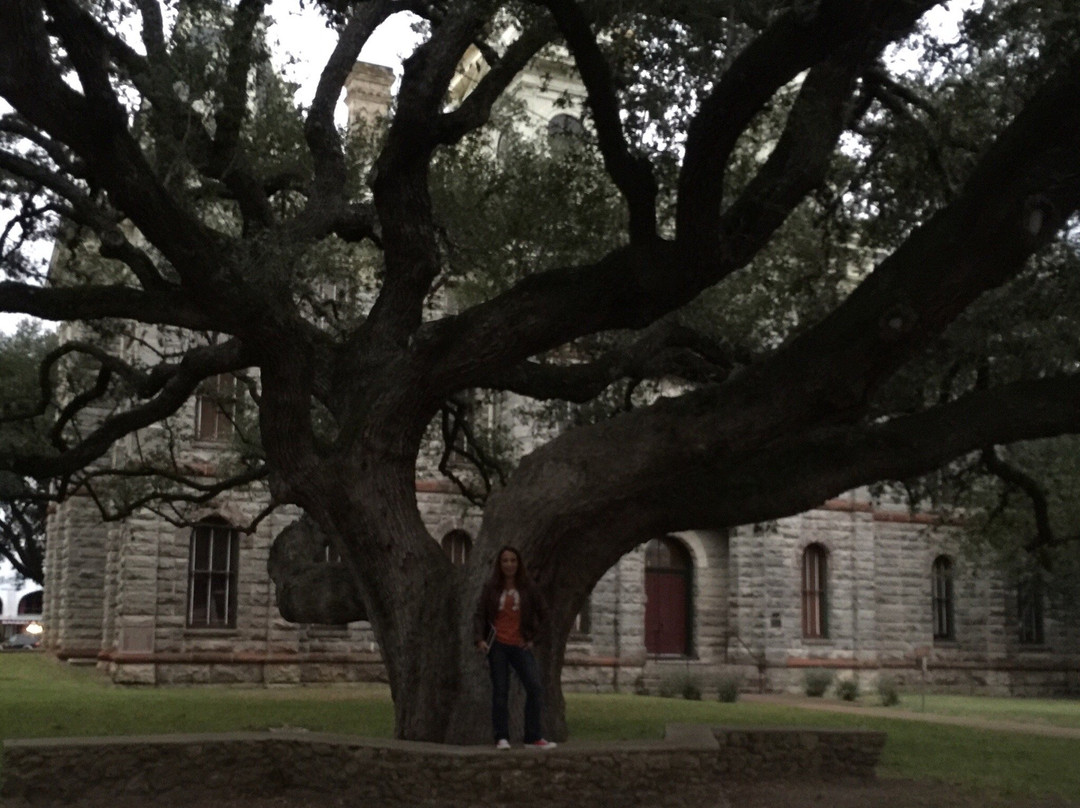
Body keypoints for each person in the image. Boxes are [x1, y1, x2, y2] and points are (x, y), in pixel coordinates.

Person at [473, 545, 557, 750]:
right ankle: (501, 737)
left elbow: (545, 615)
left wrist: (533, 639)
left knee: (535, 688)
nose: (509, 564)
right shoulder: (491, 587)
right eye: (505, 561)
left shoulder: (528, 588)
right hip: (498, 646)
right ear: (499, 564)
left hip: (520, 645)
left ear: (518, 563)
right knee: (501, 691)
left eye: (513, 560)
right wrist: (480, 639)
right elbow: (480, 614)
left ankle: (533, 737)